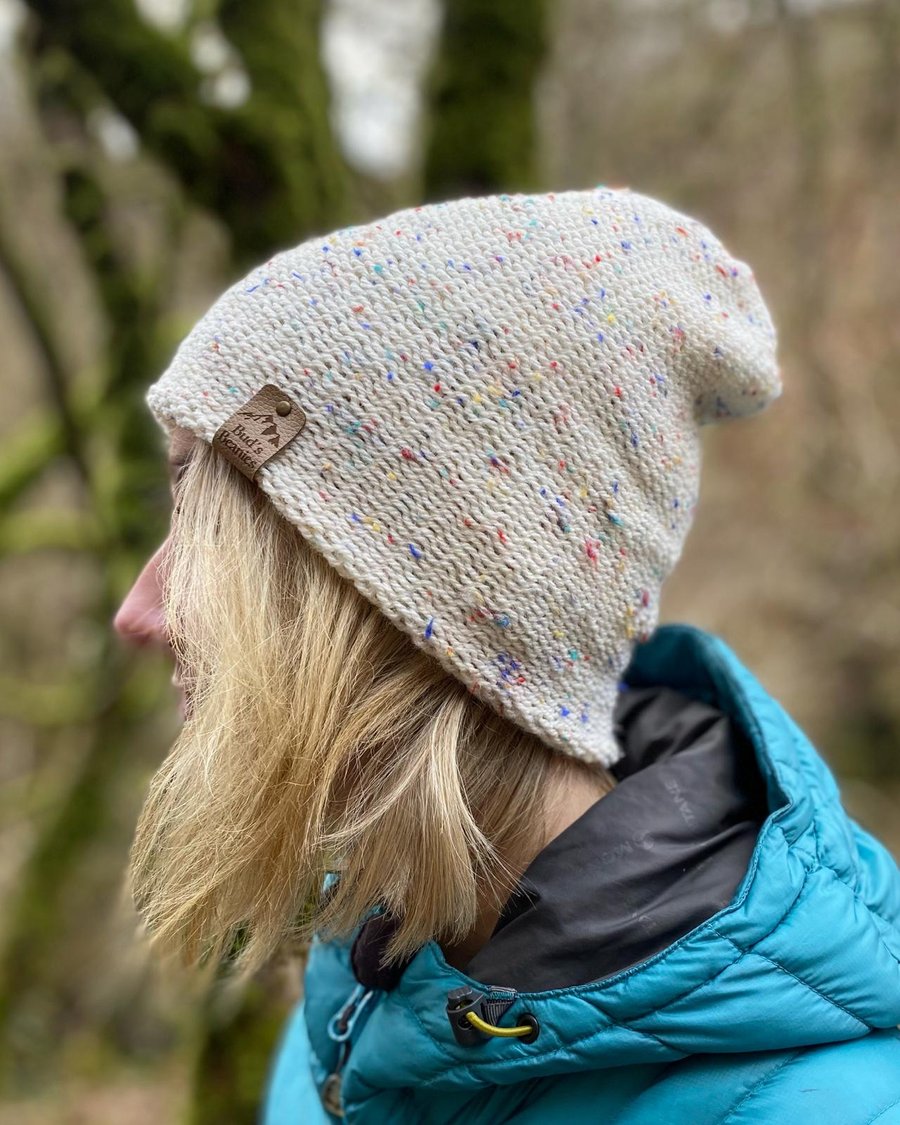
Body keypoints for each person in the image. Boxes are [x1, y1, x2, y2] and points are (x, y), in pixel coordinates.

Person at [113, 187, 900, 1124]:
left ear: (443, 599)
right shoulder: (359, 986)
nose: (140, 607)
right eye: (176, 490)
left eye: (220, 527)